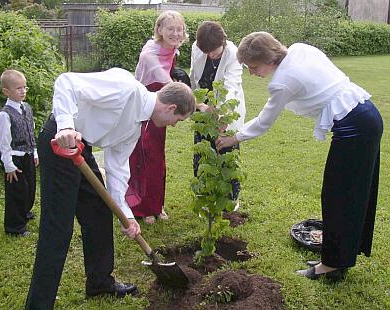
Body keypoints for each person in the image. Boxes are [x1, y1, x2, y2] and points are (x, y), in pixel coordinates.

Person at [216, 32, 383, 281]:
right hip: (366, 113)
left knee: (339, 196)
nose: (252, 73)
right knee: (352, 194)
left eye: (253, 67)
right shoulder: (299, 49)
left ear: (268, 59)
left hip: (355, 127)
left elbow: (265, 120)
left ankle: (332, 265)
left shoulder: (283, 81)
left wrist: (234, 137)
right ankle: (340, 258)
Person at [25, 68, 195, 309]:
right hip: (59, 142)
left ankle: (100, 282)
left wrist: (126, 215)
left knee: (99, 211)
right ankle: (39, 305)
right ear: (171, 108)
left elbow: (117, 171)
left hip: (81, 147)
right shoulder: (125, 89)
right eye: (177, 120)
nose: (174, 126)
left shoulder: (135, 128)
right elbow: (67, 83)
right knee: (58, 228)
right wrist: (65, 126)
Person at [128, 10, 188, 224]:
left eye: (179, 29)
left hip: (163, 110)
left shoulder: (173, 51)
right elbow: (164, 80)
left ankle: (156, 204)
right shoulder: (149, 53)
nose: (175, 33)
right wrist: (190, 99)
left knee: (158, 157)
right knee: (143, 156)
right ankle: (140, 208)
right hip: (146, 109)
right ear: (159, 30)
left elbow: (169, 78)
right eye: (170, 28)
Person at [189, 21, 246, 210]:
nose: (210, 55)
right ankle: (205, 197)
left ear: (223, 41)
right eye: (206, 51)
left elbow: (231, 87)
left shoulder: (234, 55)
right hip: (204, 111)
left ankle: (230, 200)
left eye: (214, 51)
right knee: (203, 153)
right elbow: (194, 79)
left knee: (227, 153)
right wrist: (200, 105)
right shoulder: (197, 49)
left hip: (226, 111)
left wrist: (223, 118)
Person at [0, 69, 39, 237]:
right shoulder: (4, 115)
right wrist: (9, 165)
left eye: (25, 87)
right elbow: (4, 142)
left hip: (27, 155)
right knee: (17, 192)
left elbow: (30, 131)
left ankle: (25, 213)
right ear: (6, 91)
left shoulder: (26, 108)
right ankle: (14, 227)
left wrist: (34, 152)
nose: (23, 91)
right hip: (15, 158)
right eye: (19, 88)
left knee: (29, 189)